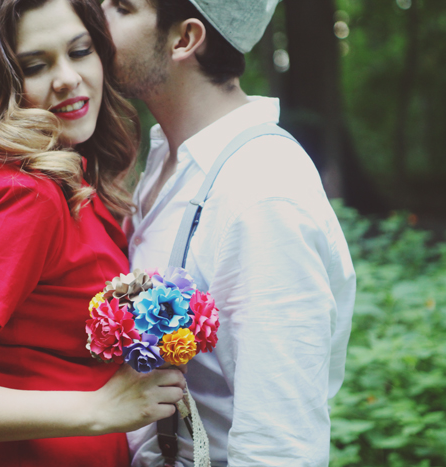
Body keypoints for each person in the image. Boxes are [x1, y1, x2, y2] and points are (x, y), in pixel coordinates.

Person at [0, 0, 187, 465]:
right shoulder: (23, 195)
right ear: (0, 82)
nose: (67, 78)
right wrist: (98, 408)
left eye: (80, 51)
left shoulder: (59, 177)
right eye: (35, 66)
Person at [101, 0, 356, 465]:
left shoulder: (261, 191)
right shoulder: (169, 157)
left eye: (121, 6)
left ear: (184, 39)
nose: (97, 13)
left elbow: (280, 447)